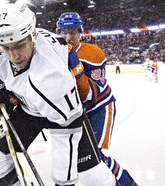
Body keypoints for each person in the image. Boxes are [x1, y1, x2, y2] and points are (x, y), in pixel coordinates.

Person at [0, 2, 118, 186]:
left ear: (33, 36)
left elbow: (67, 134)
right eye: (6, 48)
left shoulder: (52, 77)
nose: (14, 56)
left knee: (91, 177)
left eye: (20, 46)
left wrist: (63, 181)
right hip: (30, 109)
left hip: (64, 113)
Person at [56, 12, 137, 186]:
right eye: (64, 32)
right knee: (81, 158)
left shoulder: (93, 53)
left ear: (80, 32)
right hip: (78, 113)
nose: (68, 37)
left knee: (94, 156)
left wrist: (75, 64)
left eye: (73, 32)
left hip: (100, 108)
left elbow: (90, 94)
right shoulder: (55, 54)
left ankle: (126, 182)